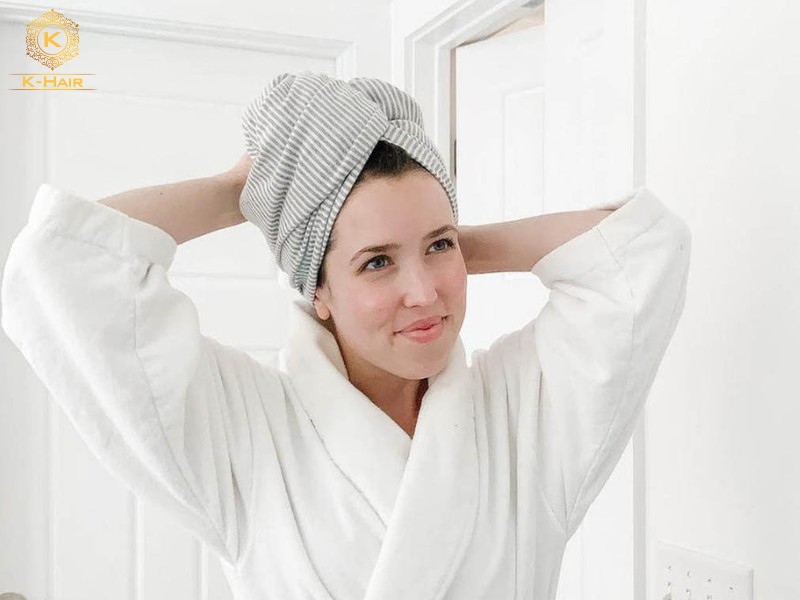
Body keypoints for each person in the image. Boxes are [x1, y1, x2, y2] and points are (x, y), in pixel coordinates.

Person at [1, 72, 691, 599]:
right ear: (317, 292)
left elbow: (639, 252)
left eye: (440, 247)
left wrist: (436, 244)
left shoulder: (522, 414)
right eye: (377, 263)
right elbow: (62, 265)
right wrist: (245, 190)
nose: (424, 293)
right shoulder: (245, 431)